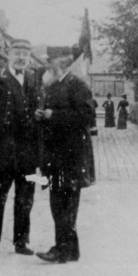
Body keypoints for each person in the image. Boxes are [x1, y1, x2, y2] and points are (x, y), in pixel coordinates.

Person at [0, 39, 38, 256]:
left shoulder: (33, 79)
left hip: (28, 150)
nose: (21, 57)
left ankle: (21, 242)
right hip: (3, 147)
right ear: (8, 55)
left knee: (25, 196)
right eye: (17, 53)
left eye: (25, 53)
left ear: (29, 57)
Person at [35, 55, 95, 263]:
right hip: (57, 156)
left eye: (49, 68)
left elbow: (86, 116)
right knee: (61, 204)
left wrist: (53, 115)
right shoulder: (56, 86)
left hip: (71, 157)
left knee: (64, 204)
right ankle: (70, 250)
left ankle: (61, 249)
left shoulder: (77, 85)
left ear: (60, 67)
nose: (46, 72)